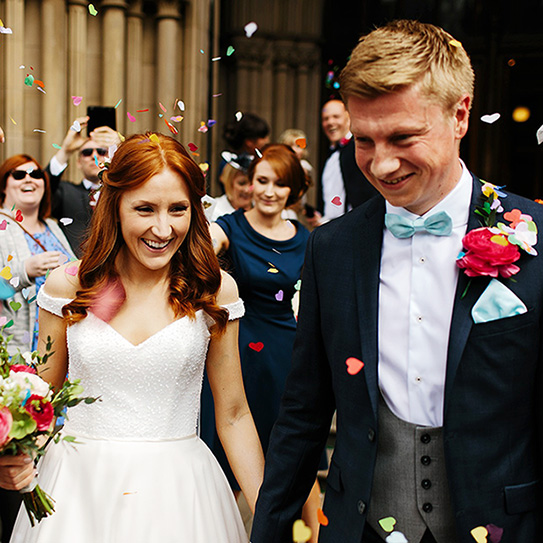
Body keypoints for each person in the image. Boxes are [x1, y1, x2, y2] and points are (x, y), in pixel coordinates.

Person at [251, 20, 543, 543]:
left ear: (460, 115)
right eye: (364, 140)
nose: (382, 164)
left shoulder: (536, 237)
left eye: (403, 137)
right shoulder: (331, 249)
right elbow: (303, 413)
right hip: (359, 524)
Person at [2, 132, 264, 543]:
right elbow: (42, 401)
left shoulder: (213, 291)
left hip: (179, 493)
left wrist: (269, 514)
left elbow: (233, 414)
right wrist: (13, 453)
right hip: (78, 489)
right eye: (145, 208)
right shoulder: (69, 286)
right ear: (116, 206)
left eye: (178, 209)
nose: (163, 228)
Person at [202, 144, 321, 540]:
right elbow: (204, 247)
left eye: (280, 184)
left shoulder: (307, 240)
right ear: (250, 183)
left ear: (294, 190)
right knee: (229, 461)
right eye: (262, 181)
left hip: (285, 354)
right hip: (235, 352)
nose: (270, 191)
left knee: (295, 460)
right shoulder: (229, 227)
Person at [0, 154, 74, 543]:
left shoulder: (52, 226)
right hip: (17, 349)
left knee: (50, 446)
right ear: (5, 183)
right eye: (19, 174)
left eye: (36, 174)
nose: (29, 179)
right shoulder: (0, 225)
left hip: (58, 345)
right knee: (20, 444)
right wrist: (23, 271)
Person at [46, 117, 121, 257]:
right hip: (75, 265)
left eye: (101, 151)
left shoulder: (122, 192)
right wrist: (65, 151)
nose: (94, 156)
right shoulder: (65, 192)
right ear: (79, 162)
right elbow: (41, 193)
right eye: (87, 152)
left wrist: (122, 148)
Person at [314, 99, 377, 225]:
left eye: (336, 117)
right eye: (326, 119)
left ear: (348, 118)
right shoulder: (332, 155)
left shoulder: (358, 150)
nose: (330, 122)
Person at [208, 158, 252, 222]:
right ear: (229, 183)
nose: (247, 190)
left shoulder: (261, 209)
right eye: (241, 183)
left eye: (251, 184)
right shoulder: (213, 210)